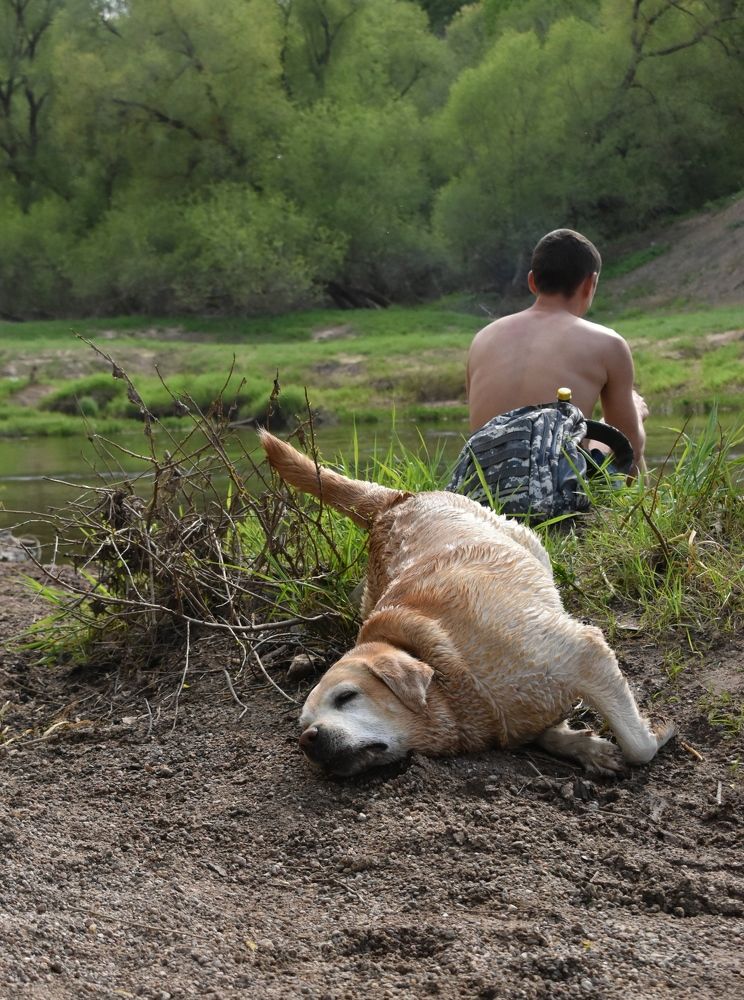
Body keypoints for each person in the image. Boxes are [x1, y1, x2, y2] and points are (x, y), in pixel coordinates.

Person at [466, 229, 647, 476]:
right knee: (623, 433)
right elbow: (630, 454)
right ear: (589, 283)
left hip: (480, 497)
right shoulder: (608, 343)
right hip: (556, 500)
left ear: (532, 281)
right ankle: (636, 513)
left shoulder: (483, 338)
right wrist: (637, 412)